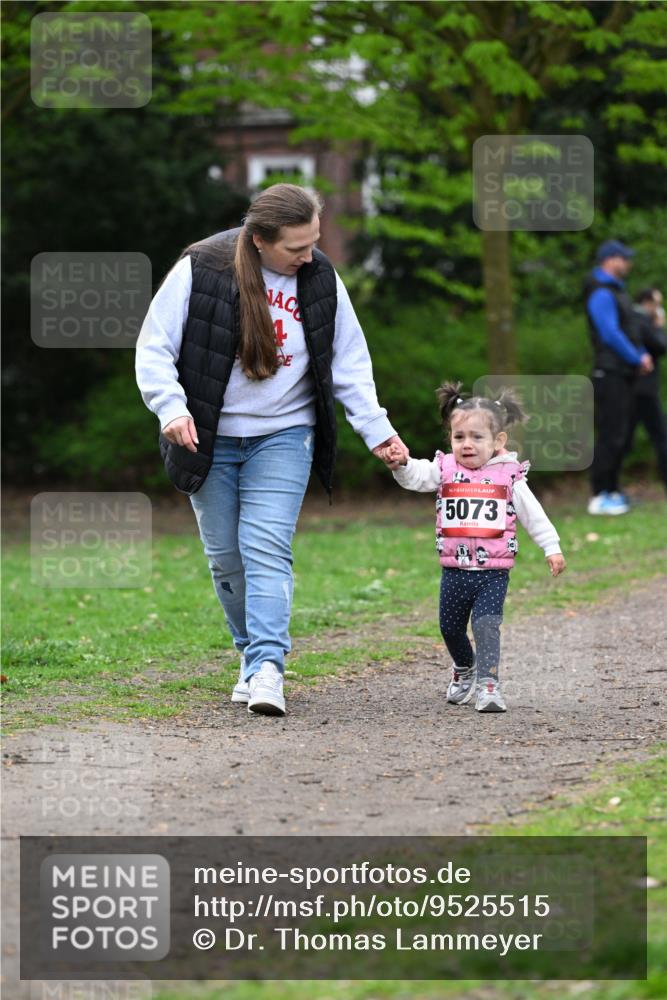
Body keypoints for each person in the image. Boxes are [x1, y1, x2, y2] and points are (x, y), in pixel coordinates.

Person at [135, 183, 407, 717]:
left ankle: (267, 667)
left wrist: (377, 430)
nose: (309, 256)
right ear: (259, 240)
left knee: (265, 547)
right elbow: (154, 347)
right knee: (225, 559)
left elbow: (349, 361)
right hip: (209, 436)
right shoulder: (202, 268)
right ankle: (249, 654)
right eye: (296, 248)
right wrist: (171, 409)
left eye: (314, 243)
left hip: (286, 433)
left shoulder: (320, 277)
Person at [386, 383, 565, 714]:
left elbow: (533, 515)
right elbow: (416, 477)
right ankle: (464, 666)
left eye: (477, 437)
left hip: (493, 572)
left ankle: (489, 683)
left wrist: (551, 547)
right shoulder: (443, 469)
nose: (467, 444)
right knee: (450, 628)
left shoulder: (509, 476)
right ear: (450, 439)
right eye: (459, 437)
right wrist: (401, 463)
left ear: (498, 441)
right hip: (454, 569)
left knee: (486, 625)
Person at [584, 239, 653, 515]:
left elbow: (630, 329)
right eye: (624, 259)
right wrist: (637, 357)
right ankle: (599, 494)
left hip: (622, 373)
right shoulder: (601, 293)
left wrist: (641, 353)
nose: (628, 264)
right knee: (610, 434)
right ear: (610, 260)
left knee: (622, 434)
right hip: (609, 371)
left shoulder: (616, 291)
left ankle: (613, 490)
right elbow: (610, 333)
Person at [624, 287, 667, 492]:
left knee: (623, 438)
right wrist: (659, 326)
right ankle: (605, 486)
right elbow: (661, 345)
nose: (659, 309)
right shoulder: (641, 321)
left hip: (635, 388)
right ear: (647, 303)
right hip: (643, 390)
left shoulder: (632, 320)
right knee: (661, 436)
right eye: (657, 304)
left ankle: (607, 486)